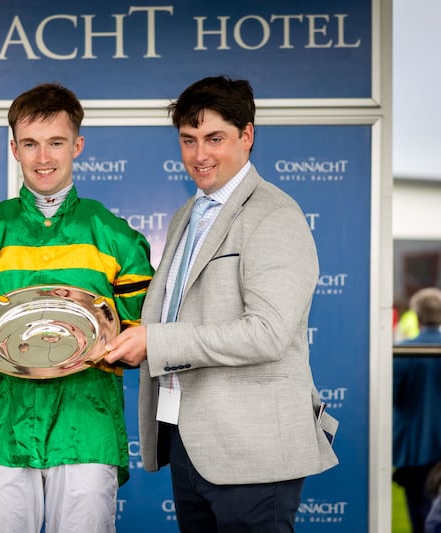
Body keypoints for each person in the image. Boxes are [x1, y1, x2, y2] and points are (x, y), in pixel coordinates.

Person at [103, 75, 338, 532]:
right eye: (188, 141)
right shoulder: (187, 216)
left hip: (253, 452)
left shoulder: (274, 215)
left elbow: (268, 333)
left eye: (214, 138)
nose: (199, 155)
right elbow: (175, 311)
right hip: (189, 442)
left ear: (247, 136)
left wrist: (156, 341)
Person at [0, 82, 155, 533]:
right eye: (30, 144)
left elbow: (142, 333)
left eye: (56, 143)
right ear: (14, 149)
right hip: (4, 430)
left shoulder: (117, 237)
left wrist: (121, 346)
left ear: (77, 145)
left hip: (87, 427)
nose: (43, 158)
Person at [393, 286, 441, 532]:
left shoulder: (403, 352)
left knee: (421, 517)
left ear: (417, 315)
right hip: (422, 447)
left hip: (416, 448)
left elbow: (391, 397)